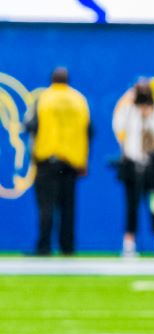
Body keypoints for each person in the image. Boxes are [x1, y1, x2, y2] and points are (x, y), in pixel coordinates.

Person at [28, 67, 89, 256]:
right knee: (68, 207)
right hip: (71, 163)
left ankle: (44, 246)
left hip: (48, 159)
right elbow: (88, 131)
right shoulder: (79, 100)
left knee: (46, 205)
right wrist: (83, 160)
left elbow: (33, 126)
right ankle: (67, 247)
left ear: (52, 80)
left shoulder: (44, 98)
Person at [113, 79, 154, 258]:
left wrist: (150, 114)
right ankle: (129, 243)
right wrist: (127, 100)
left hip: (153, 168)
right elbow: (117, 125)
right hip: (132, 165)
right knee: (132, 206)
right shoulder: (129, 111)